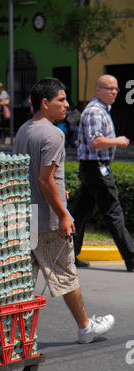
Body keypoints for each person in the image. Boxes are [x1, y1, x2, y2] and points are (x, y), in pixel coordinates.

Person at [13, 77, 115, 345]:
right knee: (66, 273)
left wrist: (59, 194)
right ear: (45, 104)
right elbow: (45, 180)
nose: (67, 105)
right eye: (61, 100)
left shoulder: (24, 130)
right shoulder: (54, 134)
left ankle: (17, 335)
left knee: (22, 282)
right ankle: (85, 327)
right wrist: (63, 214)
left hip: (25, 217)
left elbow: (31, 175)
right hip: (47, 221)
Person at [72, 74, 134, 271]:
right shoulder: (95, 112)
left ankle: (69, 255)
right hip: (96, 167)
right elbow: (95, 141)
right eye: (109, 88)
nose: (114, 92)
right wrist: (118, 140)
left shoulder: (102, 110)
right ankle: (132, 259)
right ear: (98, 90)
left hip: (93, 167)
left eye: (116, 88)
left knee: (79, 214)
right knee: (113, 212)